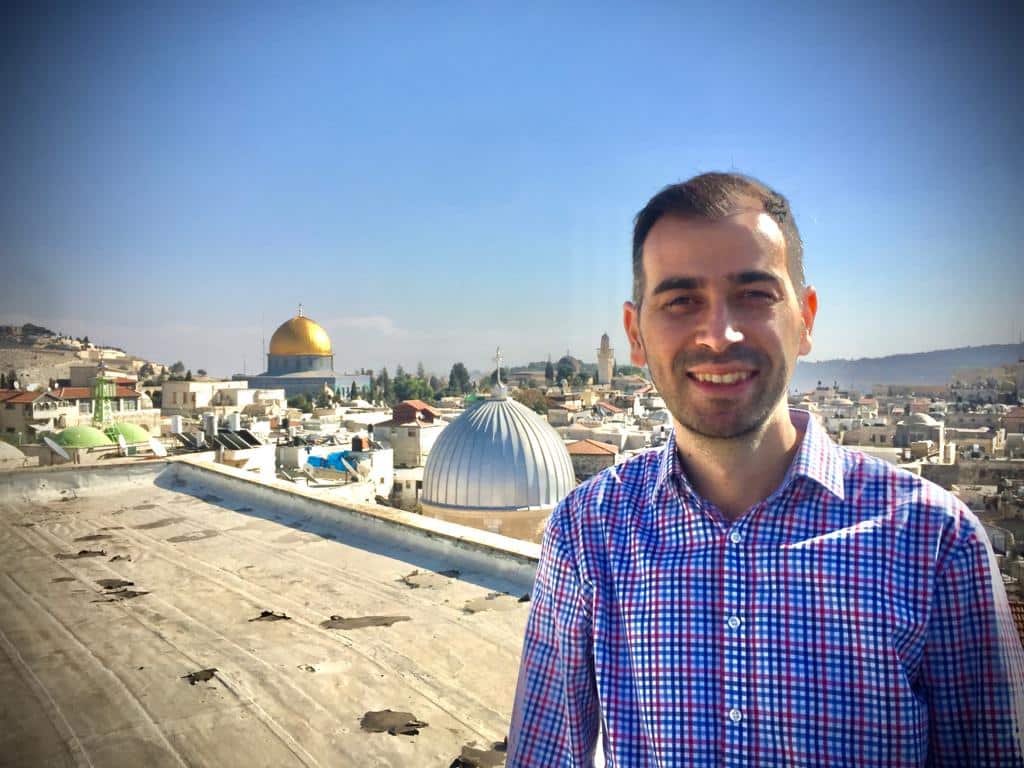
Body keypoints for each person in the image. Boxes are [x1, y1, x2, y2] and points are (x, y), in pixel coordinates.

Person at [507, 172, 1024, 766]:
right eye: (680, 301)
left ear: (805, 318)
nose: (719, 335)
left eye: (755, 294)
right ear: (634, 335)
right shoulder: (589, 531)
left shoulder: (935, 542)